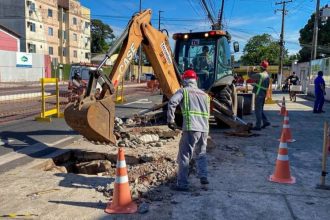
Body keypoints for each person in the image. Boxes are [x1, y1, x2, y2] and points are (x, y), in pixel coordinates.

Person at [167, 69, 210, 191]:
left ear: (185, 80)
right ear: (195, 80)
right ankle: (203, 176)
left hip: (192, 127)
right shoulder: (205, 95)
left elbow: (172, 102)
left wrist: (171, 120)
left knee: (185, 155)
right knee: (201, 153)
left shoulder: (184, 91)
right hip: (204, 128)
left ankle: (182, 184)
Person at [248, 60, 271, 130]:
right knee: (260, 109)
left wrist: (251, 70)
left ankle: (258, 126)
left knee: (257, 110)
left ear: (261, 67)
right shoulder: (267, 75)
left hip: (259, 94)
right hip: (263, 94)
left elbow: (250, 76)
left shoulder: (260, 75)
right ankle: (265, 121)